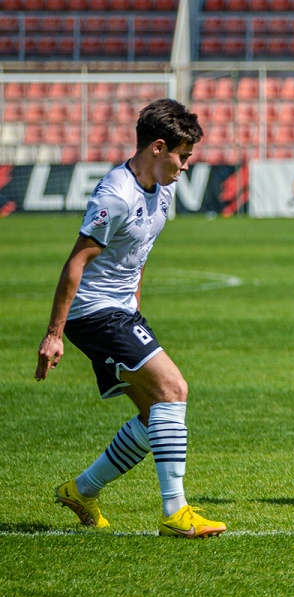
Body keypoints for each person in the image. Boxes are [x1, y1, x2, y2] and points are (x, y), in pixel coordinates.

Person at [35, 98, 228, 537]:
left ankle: (81, 490)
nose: (185, 166)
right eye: (182, 156)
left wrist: (136, 305)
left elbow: (138, 254)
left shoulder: (163, 188)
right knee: (174, 389)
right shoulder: (115, 196)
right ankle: (176, 512)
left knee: (154, 415)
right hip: (94, 314)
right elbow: (76, 263)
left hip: (122, 311)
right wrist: (53, 335)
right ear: (158, 148)